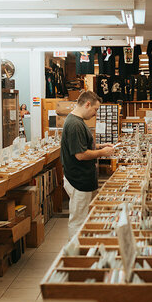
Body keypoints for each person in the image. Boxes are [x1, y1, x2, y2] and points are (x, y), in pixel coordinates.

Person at [61, 91, 114, 240]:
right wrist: (102, 152)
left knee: (84, 218)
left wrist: (100, 146)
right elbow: (80, 154)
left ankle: (83, 246)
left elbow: (83, 146)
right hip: (79, 180)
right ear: (87, 104)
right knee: (78, 221)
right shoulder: (74, 124)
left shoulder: (77, 121)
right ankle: (76, 254)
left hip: (83, 180)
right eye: (95, 109)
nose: (95, 114)